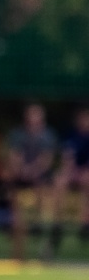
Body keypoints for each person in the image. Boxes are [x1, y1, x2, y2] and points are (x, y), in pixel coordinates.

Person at [5, 104, 58, 258]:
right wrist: (23, 170)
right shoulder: (18, 135)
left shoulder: (47, 135)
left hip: (41, 178)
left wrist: (33, 171)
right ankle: (12, 232)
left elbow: (46, 160)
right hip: (20, 177)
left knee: (43, 187)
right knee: (12, 192)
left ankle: (39, 224)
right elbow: (14, 156)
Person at [48, 108, 89, 252]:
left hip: (85, 173)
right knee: (59, 180)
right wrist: (71, 171)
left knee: (86, 179)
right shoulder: (71, 136)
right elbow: (68, 157)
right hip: (72, 172)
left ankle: (85, 221)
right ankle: (58, 223)